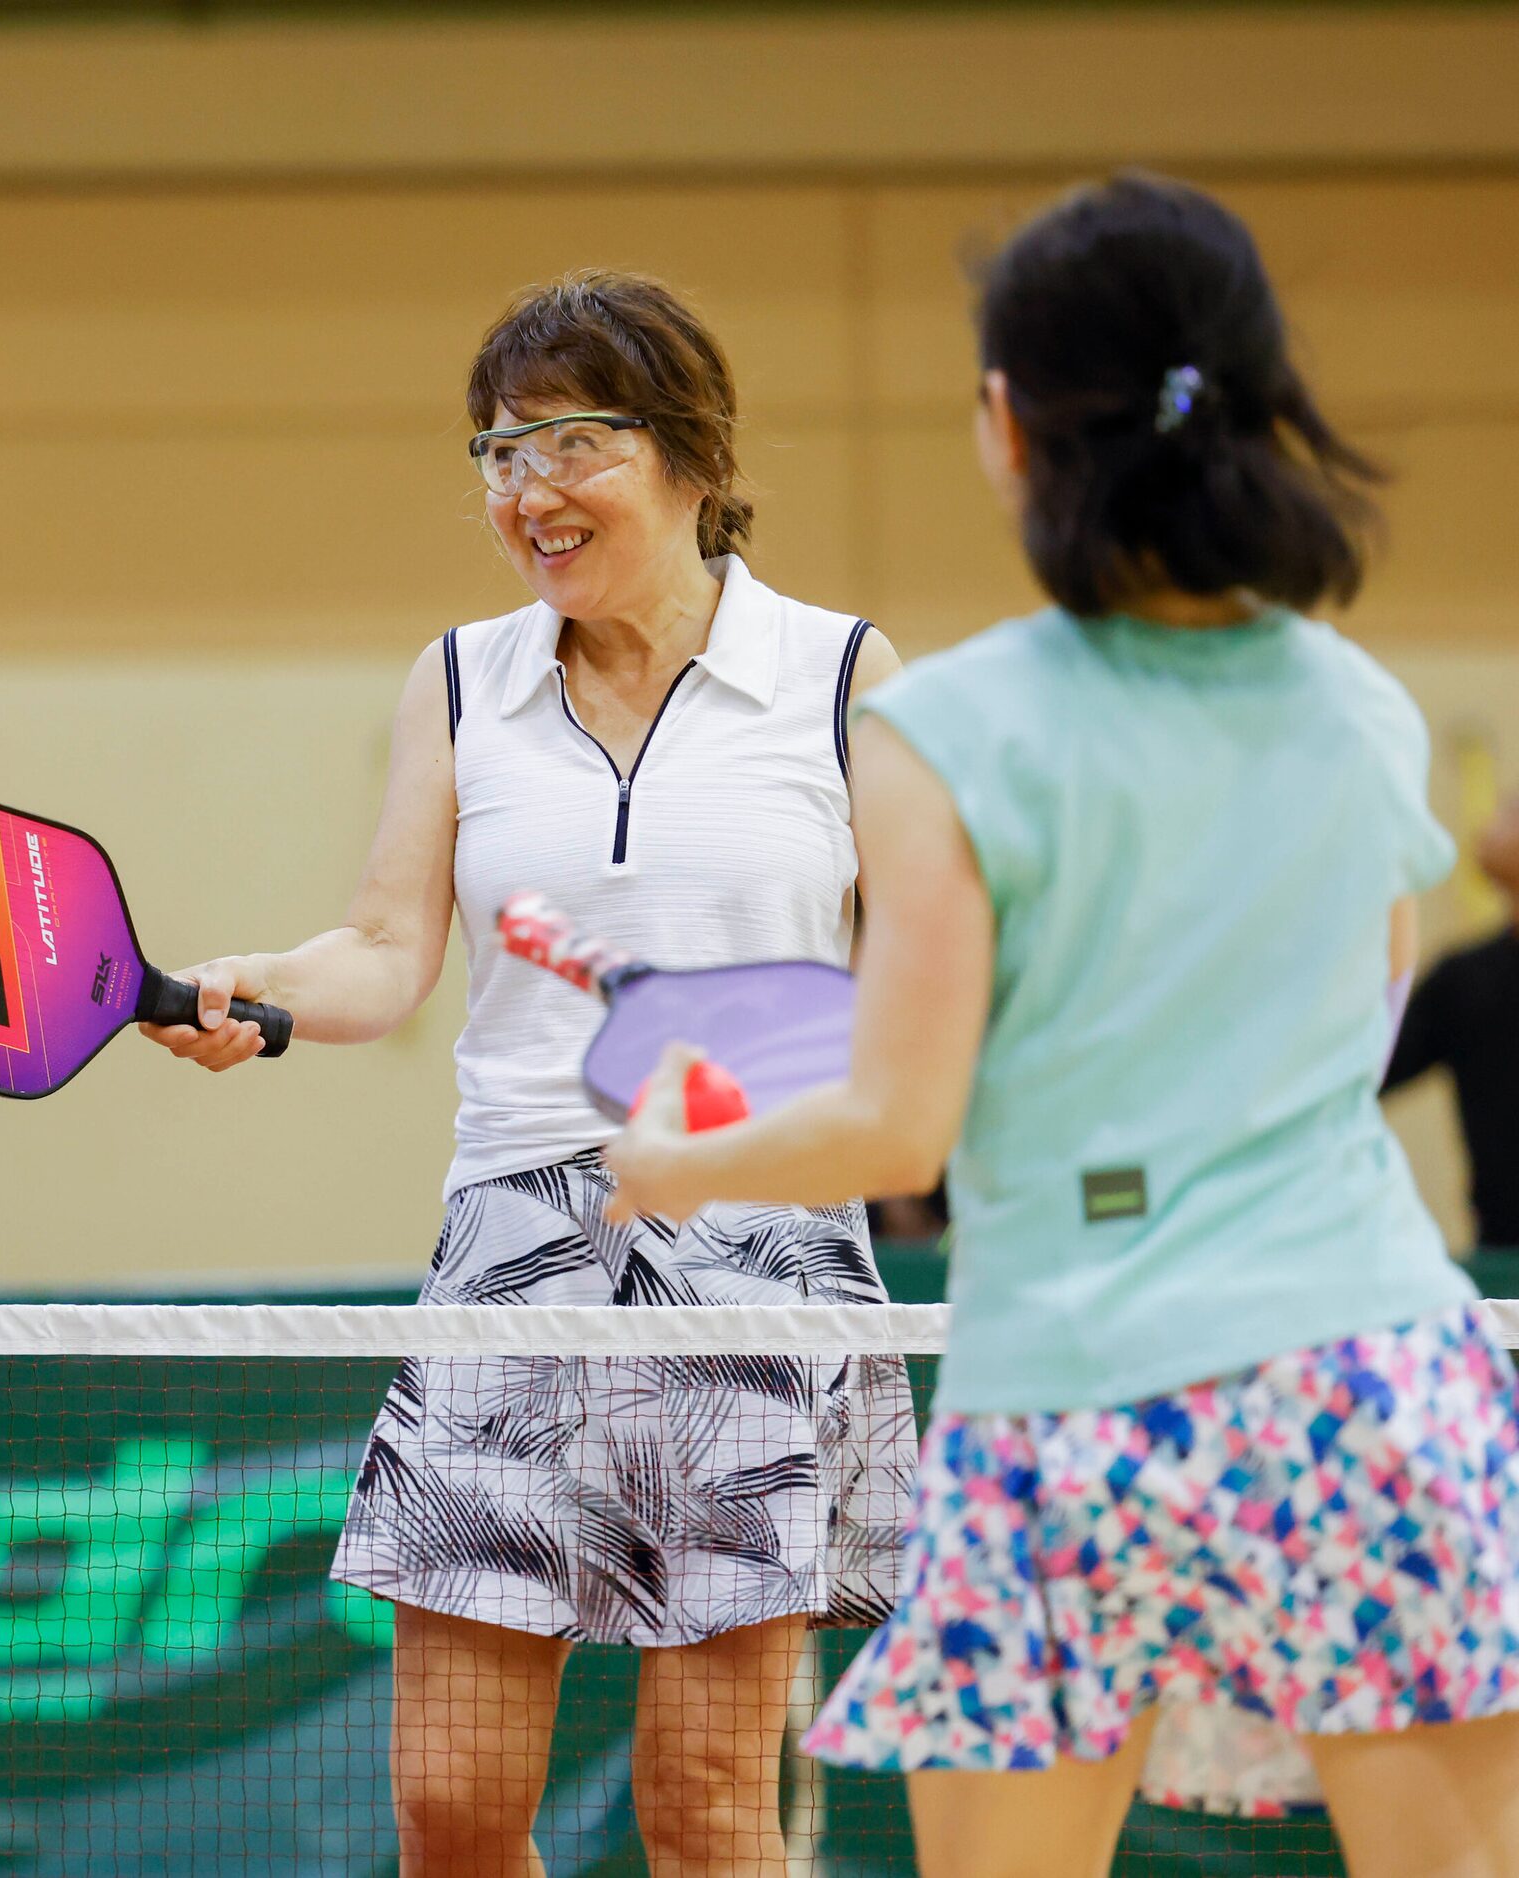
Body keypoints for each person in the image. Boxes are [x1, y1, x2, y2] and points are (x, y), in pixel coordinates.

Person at [604, 174, 1519, 1876]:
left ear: (1008, 422)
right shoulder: (1363, 709)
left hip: (1079, 1410)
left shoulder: (950, 725)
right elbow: (1355, 1013)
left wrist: (672, 1161)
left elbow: (899, 1122)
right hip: (1372, 1373)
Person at [142, 271, 919, 1876]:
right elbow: (382, 946)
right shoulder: (461, 679)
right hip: (519, 1254)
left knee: (707, 1806)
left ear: (691, 452)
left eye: (570, 442)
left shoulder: (844, 674)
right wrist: (263, 991)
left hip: (760, 1253)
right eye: (495, 451)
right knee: (451, 1801)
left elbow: (920, 986)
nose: (524, 489)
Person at [1385, 788, 1519, 1248]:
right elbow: (1366, 1071)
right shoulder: (1467, 981)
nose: (1487, 829)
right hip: (1504, 1263)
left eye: (1511, 815)